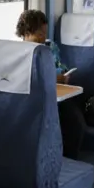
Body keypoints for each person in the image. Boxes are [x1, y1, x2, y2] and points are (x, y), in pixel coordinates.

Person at [16, 9, 86, 159]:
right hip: (33, 99)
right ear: (26, 33)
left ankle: (69, 159)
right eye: (39, 33)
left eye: (45, 33)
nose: (43, 37)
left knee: (76, 124)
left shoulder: (50, 47)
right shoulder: (17, 53)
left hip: (58, 95)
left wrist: (63, 77)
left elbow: (61, 68)